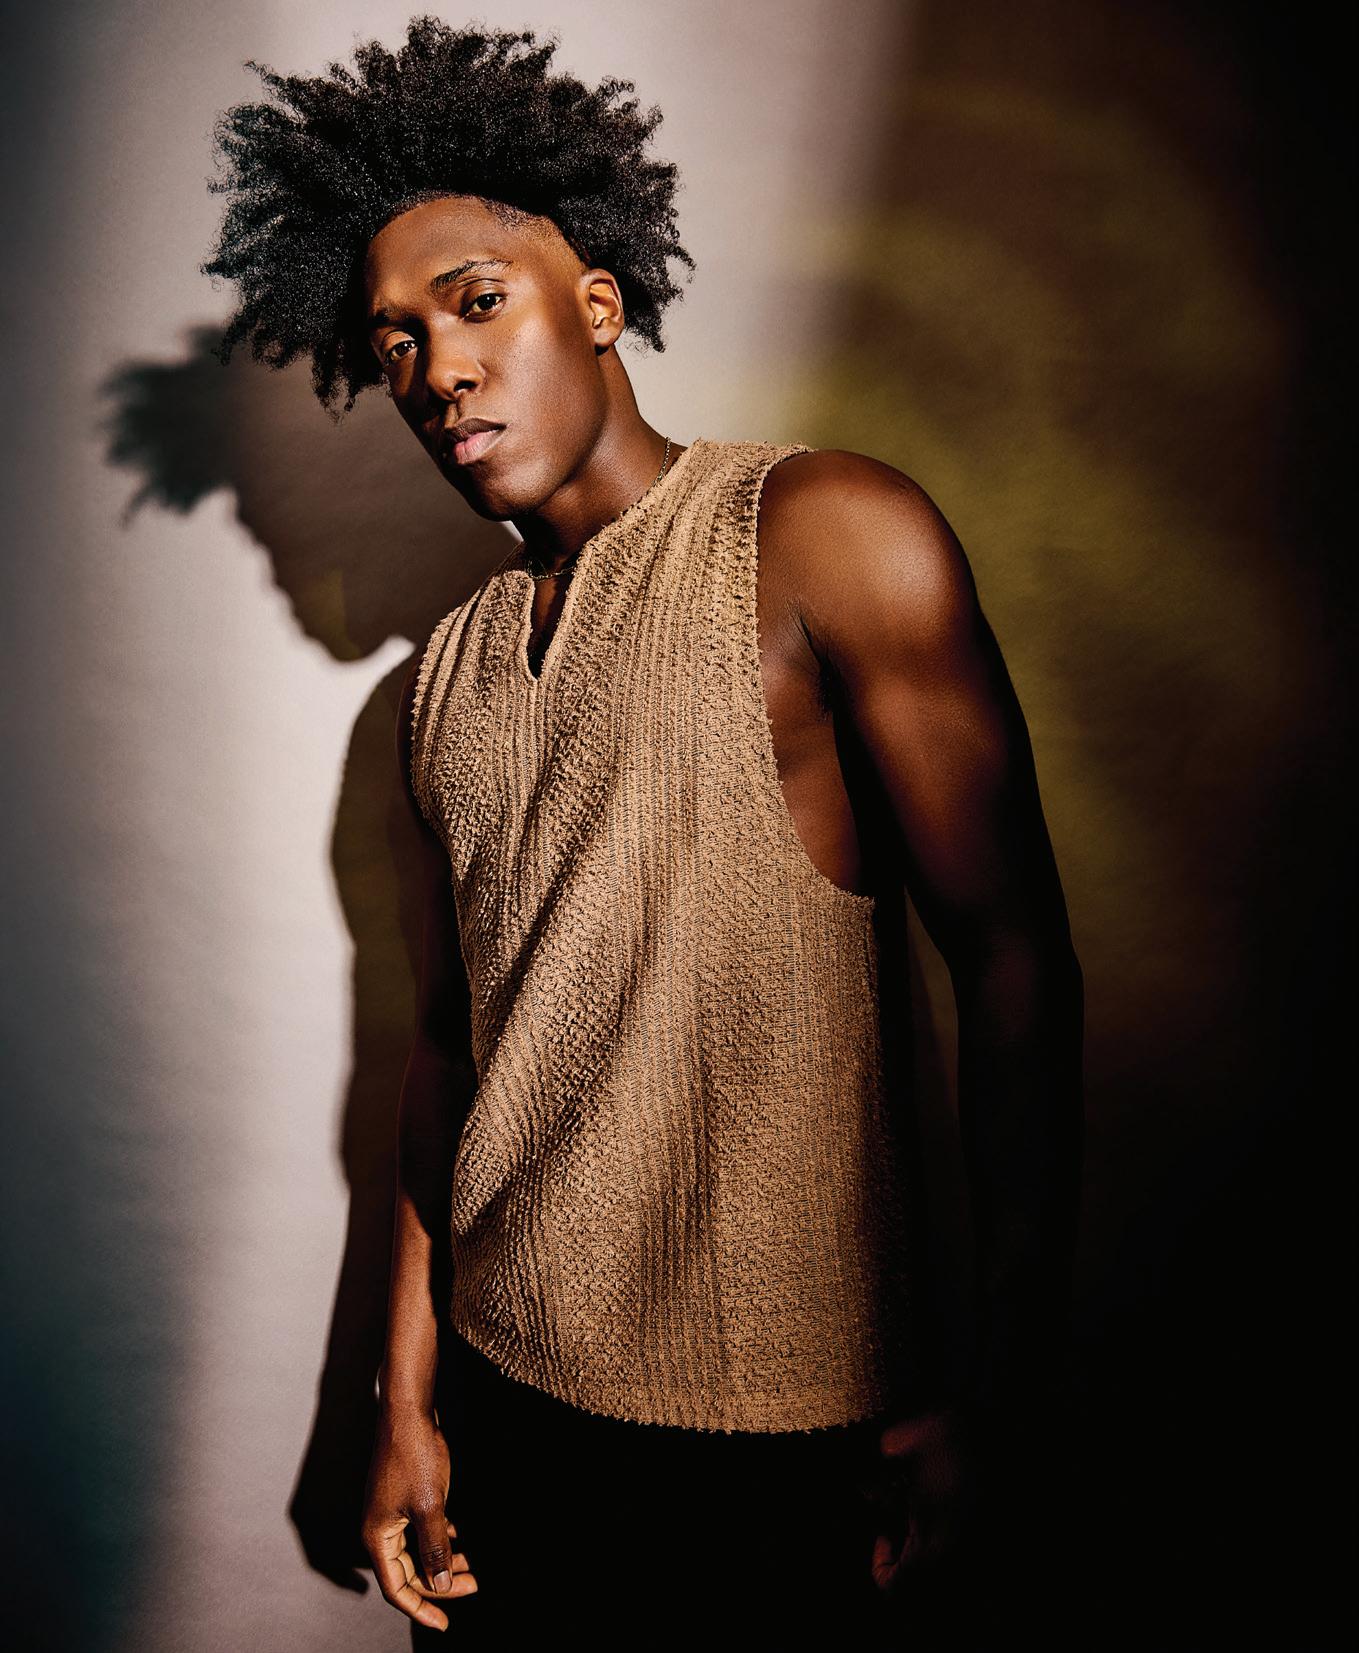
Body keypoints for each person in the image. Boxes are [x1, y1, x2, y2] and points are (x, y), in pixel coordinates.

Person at [202, 17, 1084, 1645]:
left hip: (783, 1449)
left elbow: (1014, 960)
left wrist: (1003, 1376)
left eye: (476, 302)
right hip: (508, 1416)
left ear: (597, 305)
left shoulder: (821, 534)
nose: (437, 370)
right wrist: (404, 1402)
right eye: (396, 342)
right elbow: (447, 1056)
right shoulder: (437, 686)